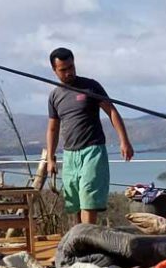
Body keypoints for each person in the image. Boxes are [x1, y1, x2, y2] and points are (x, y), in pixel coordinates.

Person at [45, 47, 134, 225]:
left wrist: (124, 141)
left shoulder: (90, 86)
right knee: (74, 202)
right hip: (69, 154)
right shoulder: (54, 96)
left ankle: (88, 242)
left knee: (89, 198)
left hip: (92, 150)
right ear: (54, 70)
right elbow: (53, 129)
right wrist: (50, 158)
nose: (69, 72)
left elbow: (112, 112)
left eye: (71, 67)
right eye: (63, 69)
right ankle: (79, 242)